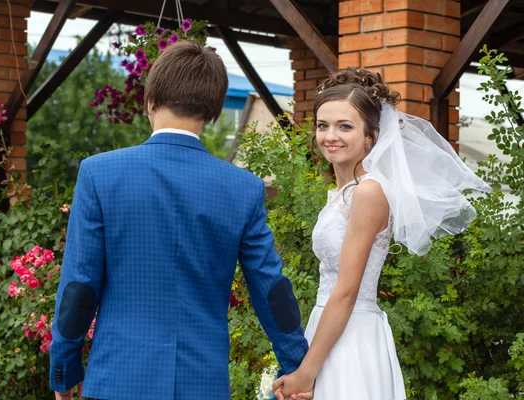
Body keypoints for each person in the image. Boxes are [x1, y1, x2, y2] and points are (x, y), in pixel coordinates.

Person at [48, 40, 310, 400]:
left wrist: (64, 370)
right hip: (202, 383)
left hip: (118, 379)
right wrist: (297, 365)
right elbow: (271, 288)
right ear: (213, 111)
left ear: (150, 101)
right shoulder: (244, 188)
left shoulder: (99, 174)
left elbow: (79, 286)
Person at [273, 67, 491, 400]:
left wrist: (305, 373)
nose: (330, 136)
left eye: (345, 126)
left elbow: (347, 292)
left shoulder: (369, 192)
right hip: (327, 327)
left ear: (372, 136)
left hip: (351, 334)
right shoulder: (343, 192)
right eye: (323, 125)